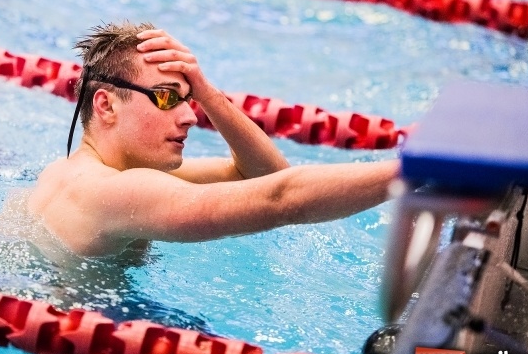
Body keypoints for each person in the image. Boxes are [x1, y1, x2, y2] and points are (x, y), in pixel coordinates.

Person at [26, 22, 399, 258]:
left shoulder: (73, 174)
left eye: (189, 100)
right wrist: (414, 171)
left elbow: (264, 175)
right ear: (106, 105)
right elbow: (281, 198)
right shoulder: (113, 192)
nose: (190, 116)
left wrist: (206, 92)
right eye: (167, 97)